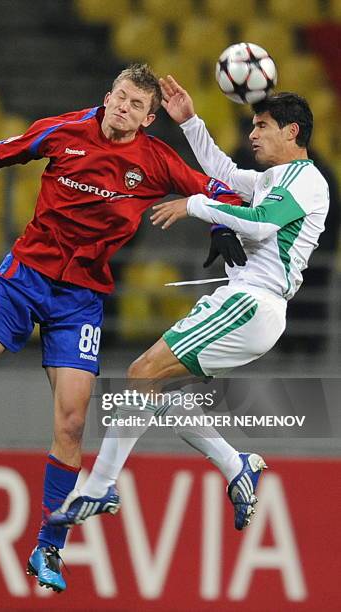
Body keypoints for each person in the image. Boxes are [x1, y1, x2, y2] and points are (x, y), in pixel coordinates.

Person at [0, 64, 243, 593]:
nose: (124, 109)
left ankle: (49, 547)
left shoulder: (157, 162)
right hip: (24, 277)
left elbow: (221, 190)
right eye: (120, 98)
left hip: (81, 300)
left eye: (138, 106)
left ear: (150, 117)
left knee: (71, 423)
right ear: (107, 96)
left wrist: (221, 219)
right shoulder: (63, 131)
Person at [48, 77, 329, 534]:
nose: (252, 135)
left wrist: (195, 205)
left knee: (141, 374)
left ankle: (100, 484)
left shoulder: (307, 180)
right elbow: (222, 173)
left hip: (252, 303)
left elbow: (259, 224)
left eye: (261, 126)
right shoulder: (273, 178)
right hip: (244, 304)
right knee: (160, 393)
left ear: (292, 132)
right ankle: (234, 464)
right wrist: (191, 122)